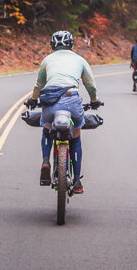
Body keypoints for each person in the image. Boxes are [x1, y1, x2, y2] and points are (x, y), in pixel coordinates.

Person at [27, 30, 101, 194]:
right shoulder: (79, 60)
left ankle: (46, 161)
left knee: (47, 128)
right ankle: (76, 182)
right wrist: (94, 101)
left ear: (52, 45)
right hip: (72, 100)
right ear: (71, 44)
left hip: (50, 101)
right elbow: (91, 86)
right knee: (76, 137)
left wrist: (33, 99)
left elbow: (38, 84)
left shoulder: (47, 60)